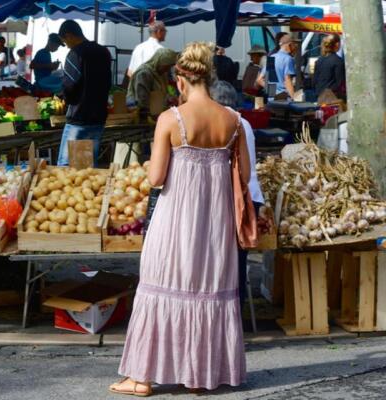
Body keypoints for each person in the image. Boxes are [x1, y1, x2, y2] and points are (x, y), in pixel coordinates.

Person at [110, 42, 248, 396]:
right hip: (216, 224)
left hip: (176, 220)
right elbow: (244, 174)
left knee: (160, 286)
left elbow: (156, 178)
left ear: (179, 80)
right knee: (209, 291)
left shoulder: (171, 119)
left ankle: (141, 377)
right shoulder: (234, 121)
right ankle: (199, 375)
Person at [210, 80, 265, 310]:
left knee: (222, 259)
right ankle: (237, 311)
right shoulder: (244, 123)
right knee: (238, 260)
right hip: (249, 197)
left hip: (234, 198)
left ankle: (227, 312)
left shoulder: (224, 123)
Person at [57, 20, 111, 167]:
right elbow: (108, 83)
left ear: (69, 35)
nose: (66, 45)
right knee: (86, 169)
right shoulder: (103, 51)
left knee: (67, 168)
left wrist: (64, 98)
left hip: (79, 119)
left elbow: (70, 85)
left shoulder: (75, 53)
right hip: (98, 117)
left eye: (65, 42)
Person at [127, 48, 178, 120]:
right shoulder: (144, 73)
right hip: (141, 114)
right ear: (159, 62)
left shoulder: (161, 73)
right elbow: (142, 101)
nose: (168, 69)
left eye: (170, 66)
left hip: (156, 112)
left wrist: (170, 98)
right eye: (166, 66)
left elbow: (162, 92)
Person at [258, 35, 297, 100]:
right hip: (284, 100)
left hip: (271, 99)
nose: (296, 47)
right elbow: (287, 80)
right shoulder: (288, 59)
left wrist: (272, 91)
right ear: (290, 45)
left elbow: (259, 80)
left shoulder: (272, 57)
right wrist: (294, 98)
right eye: (295, 45)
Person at [313, 34, 345, 100]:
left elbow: (314, 81)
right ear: (337, 44)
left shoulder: (319, 60)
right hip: (333, 97)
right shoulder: (338, 61)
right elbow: (340, 82)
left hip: (319, 96)